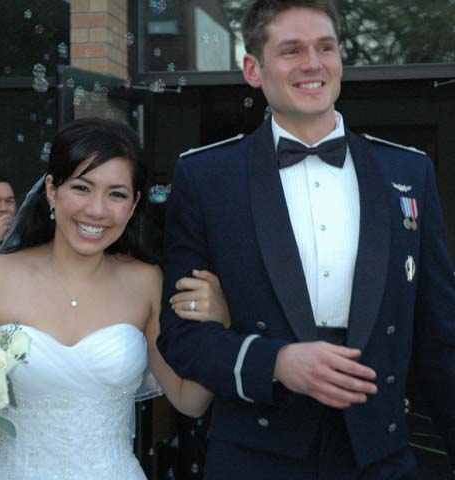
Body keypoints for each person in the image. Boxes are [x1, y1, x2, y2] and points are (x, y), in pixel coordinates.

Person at [157, 1, 455, 478]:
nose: (312, 64)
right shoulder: (206, 176)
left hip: (379, 455)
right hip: (256, 455)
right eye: (291, 50)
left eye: (325, 48)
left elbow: (441, 335)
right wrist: (274, 362)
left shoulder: (408, 170)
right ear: (253, 69)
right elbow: (181, 337)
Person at [0, 118, 230, 479]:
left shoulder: (147, 281)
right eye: (82, 188)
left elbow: (190, 401)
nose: (97, 210)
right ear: (52, 190)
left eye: (116, 194)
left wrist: (220, 326)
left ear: (134, 204)